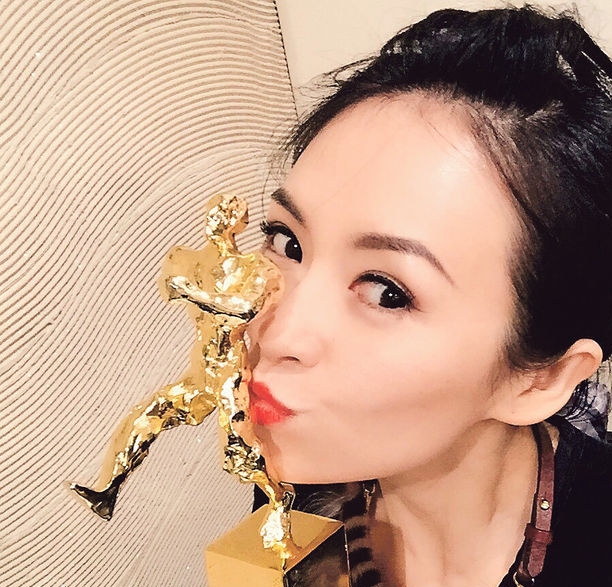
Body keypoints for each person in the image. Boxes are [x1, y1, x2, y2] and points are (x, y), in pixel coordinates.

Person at [247, 5, 612, 587]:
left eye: (387, 292)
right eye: (288, 244)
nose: (272, 332)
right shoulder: (296, 496)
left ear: (540, 380)